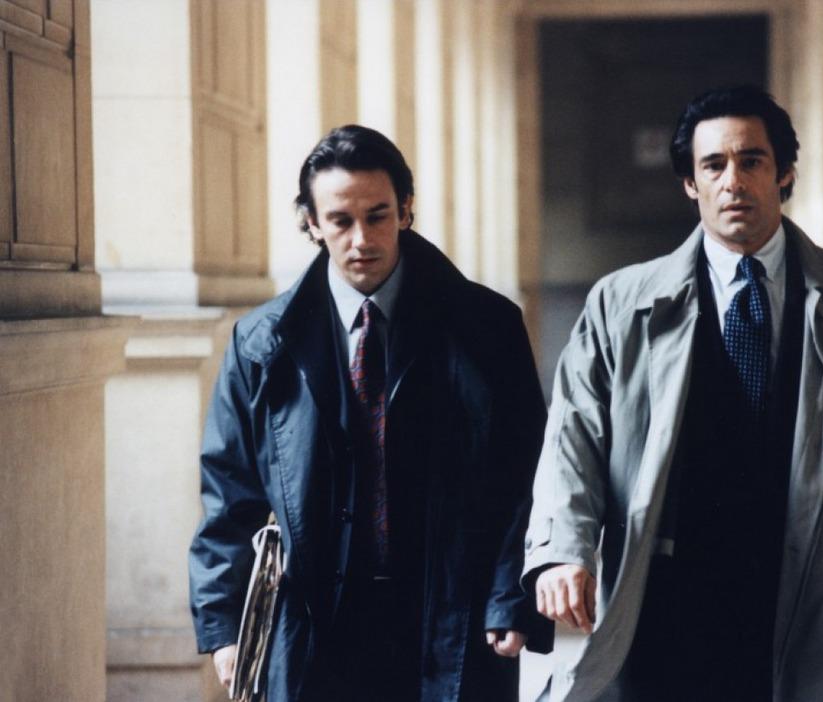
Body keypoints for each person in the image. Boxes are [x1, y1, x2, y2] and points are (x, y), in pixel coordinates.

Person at [523, 86, 823, 701]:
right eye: (713, 165)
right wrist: (563, 548)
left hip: (817, 583)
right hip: (671, 594)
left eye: (751, 161)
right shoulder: (619, 304)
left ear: (784, 174)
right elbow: (573, 440)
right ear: (690, 184)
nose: (733, 181)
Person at [189, 125, 552, 701]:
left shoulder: (488, 327)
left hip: (448, 608)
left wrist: (512, 594)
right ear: (312, 223)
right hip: (315, 621)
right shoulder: (261, 344)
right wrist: (225, 626)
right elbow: (230, 493)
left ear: (405, 210)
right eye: (340, 220)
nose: (362, 239)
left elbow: (525, 470)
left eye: (378, 216)